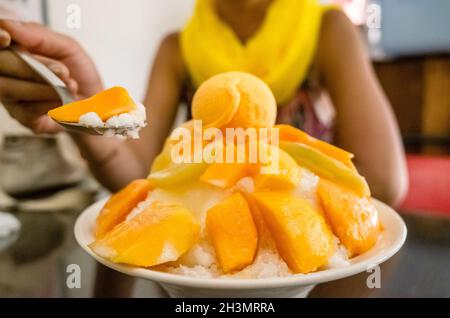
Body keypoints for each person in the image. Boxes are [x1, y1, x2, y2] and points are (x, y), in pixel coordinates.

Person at [0, 0, 408, 297]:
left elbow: (384, 184)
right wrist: (86, 104)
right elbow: (137, 177)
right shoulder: (178, 47)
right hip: (192, 275)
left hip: (316, 272)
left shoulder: (327, 28)